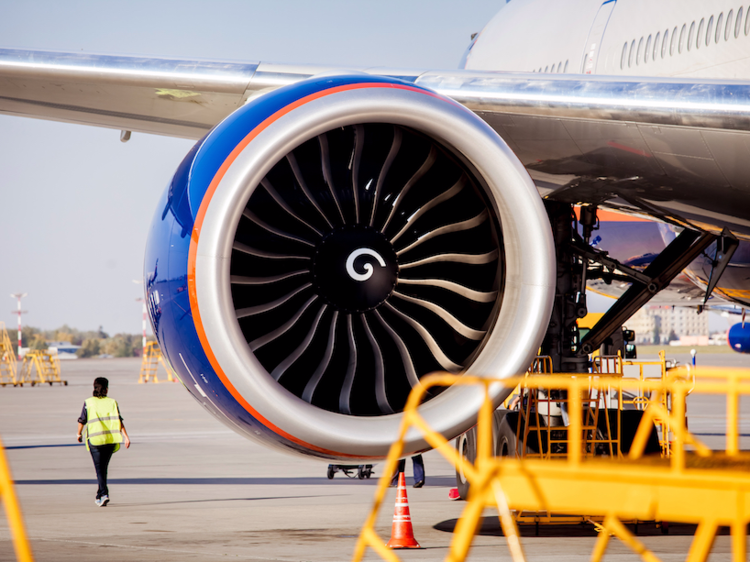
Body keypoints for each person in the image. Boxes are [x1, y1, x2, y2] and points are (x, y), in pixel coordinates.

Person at [76, 377, 130, 506]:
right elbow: (119, 420)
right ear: (106, 388)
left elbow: (81, 420)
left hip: (95, 441)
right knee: (103, 468)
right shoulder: (112, 402)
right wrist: (126, 437)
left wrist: (78, 434)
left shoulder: (88, 402)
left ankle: (104, 493)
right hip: (110, 441)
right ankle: (99, 495)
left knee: (99, 469)